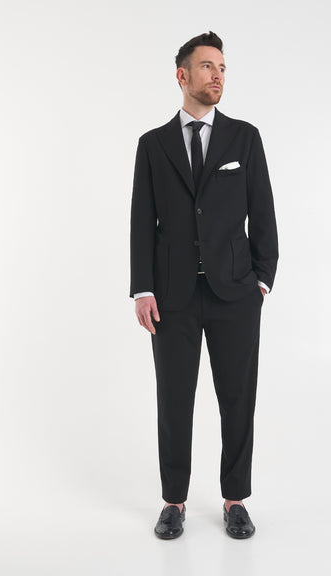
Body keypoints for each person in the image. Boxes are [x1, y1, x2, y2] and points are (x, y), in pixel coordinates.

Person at [130, 31, 278, 539]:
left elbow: (263, 212)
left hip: (236, 293)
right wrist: (142, 289)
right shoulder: (153, 145)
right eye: (207, 66)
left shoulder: (245, 138)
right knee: (174, 400)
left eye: (222, 67)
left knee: (237, 398)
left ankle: (236, 499)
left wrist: (262, 281)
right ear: (182, 75)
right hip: (171, 297)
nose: (217, 75)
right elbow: (142, 221)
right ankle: (173, 501)